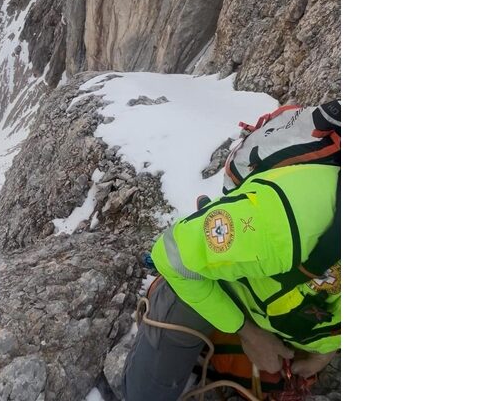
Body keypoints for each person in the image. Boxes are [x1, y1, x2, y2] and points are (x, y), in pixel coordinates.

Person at [121, 161, 341, 401]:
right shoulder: (287, 224)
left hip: (278, 305)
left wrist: (326, 350)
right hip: (213, 282)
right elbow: (172, 257)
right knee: (144, 396)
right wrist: (248, 332)